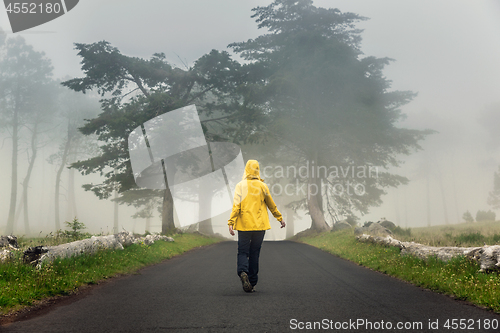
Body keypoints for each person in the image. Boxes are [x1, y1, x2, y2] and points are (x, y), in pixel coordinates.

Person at [228, 159, 285, 292]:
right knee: (254, 253)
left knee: (242, 251)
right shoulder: (262, 186)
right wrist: (279, 218)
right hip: (260, 226)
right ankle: (252, 282)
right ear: (258, 170)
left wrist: (231, 222)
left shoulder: (240, 186)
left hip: (244, 226)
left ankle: (243, 271)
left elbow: (236, 206)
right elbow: (271, 204)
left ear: (246, 169)